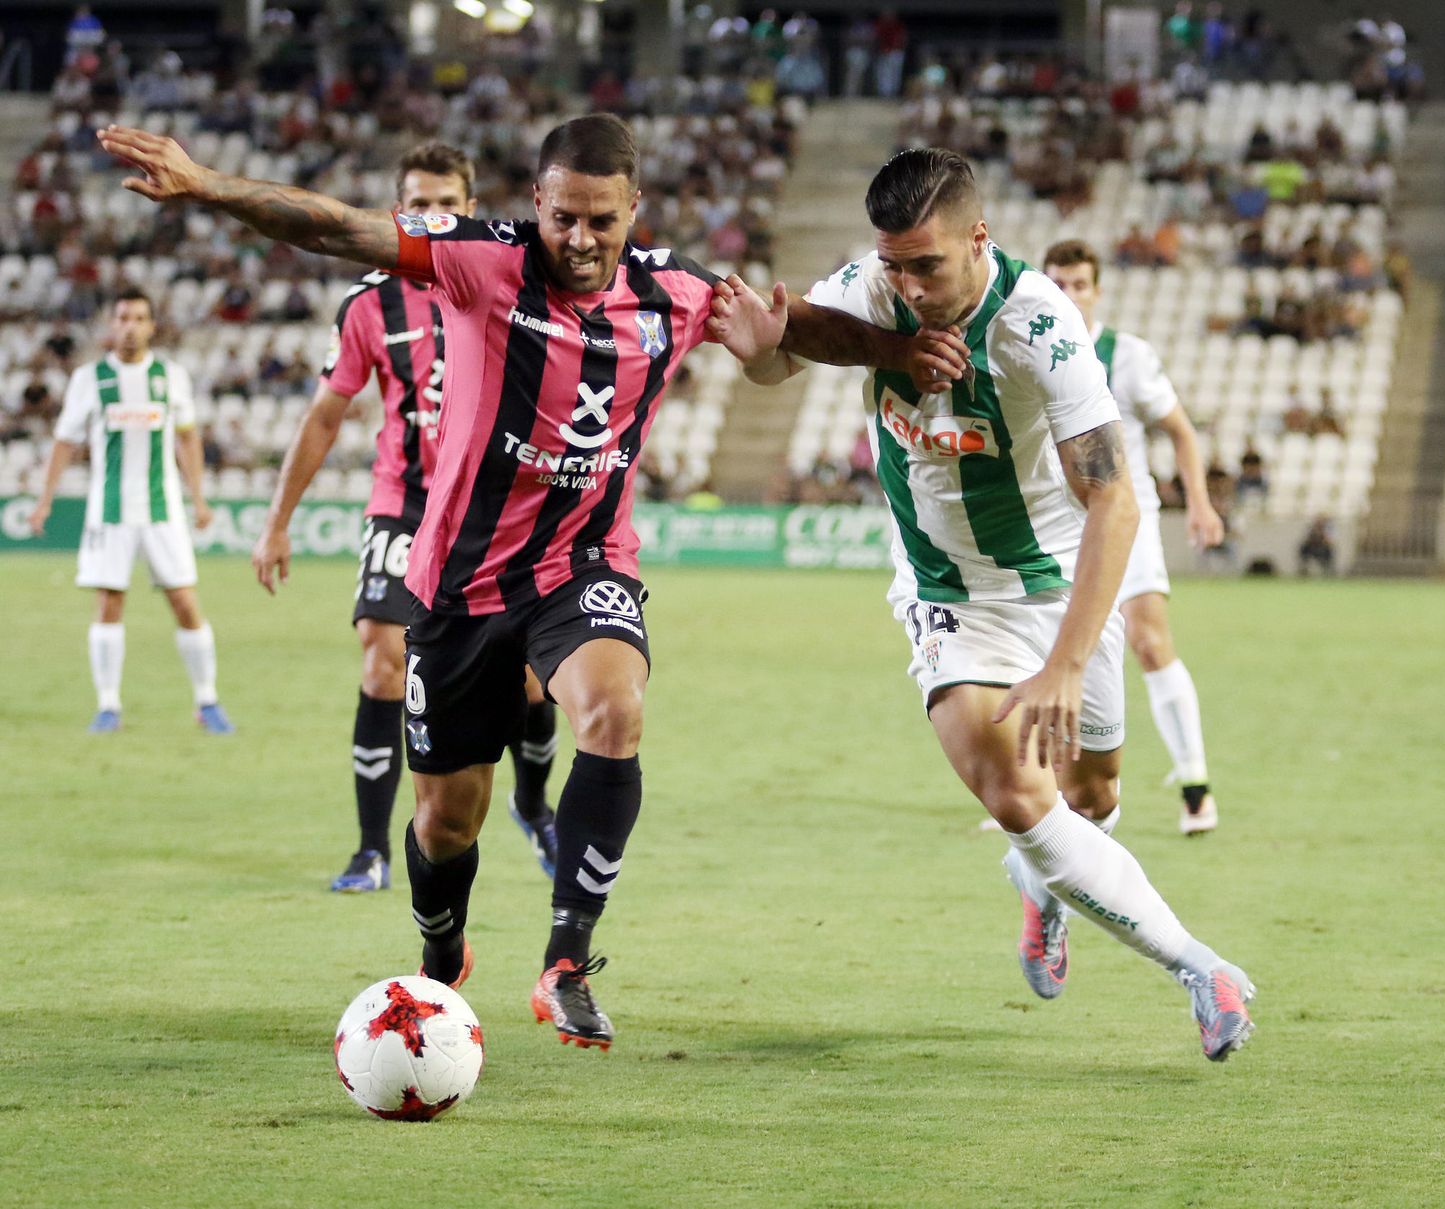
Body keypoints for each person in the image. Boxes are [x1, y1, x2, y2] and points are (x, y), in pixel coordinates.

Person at [98, 114, 967, 1050]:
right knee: (444, 822)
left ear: (634, 208)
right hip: (458, 583)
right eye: (563, 218)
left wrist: (897, 351)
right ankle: (441, 951)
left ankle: (566, 962)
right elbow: (340, 227)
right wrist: (208, 183)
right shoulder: (482, 261)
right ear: (537, 204)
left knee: (614, 710)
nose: (581, 239)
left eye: (602, 219)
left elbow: (795, 325)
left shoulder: (675, 291)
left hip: (583, 562)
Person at [725, 149, 1255, 1061]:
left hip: (1058, 583)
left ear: (978, 238)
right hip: (947, 591)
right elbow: (784, 357)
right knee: (1016, 792)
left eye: (926, 265)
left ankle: (1040, 886)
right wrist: (759, 352)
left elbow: (1115, 499)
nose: (908, 286)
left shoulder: (1040, 325)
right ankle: (1203, 970)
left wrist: (1065, 662)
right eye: (894, 263)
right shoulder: (870, 289)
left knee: (1093, 794)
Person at [249, 143, 563, 895]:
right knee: (382, 660)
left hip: (494, 510)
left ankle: (532, 805)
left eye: (447, 202)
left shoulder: (513, 278)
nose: (433, 215)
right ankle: (371, 851)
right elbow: (327, 416)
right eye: (418, 203)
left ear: (471, 208)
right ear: (399, 211)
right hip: (406, 505)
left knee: (531, 680)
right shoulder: (369, 303)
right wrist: (278, 519)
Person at [1041, 240, 1226, 835]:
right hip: (1055, 524)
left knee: (1147, 640)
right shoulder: (1023, 350)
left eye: (1080, 284)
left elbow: (1181, 431)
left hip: (1126, 515)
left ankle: (1195, 785)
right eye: (1058, 284)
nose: (1069, 295)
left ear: (1098, 291)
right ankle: (1039, 794)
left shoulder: (1127, 356)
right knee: (1048, 652)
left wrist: (1198, 502)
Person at [28, 287, 234, 735]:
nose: (130, 327)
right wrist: (45, 499)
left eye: (139, 319)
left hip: (163, 511)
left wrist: (198, 497)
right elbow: (65, 442)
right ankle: (108, 706)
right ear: (111, 324)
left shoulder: (171, 376)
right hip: (110, 511)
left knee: (185, 602)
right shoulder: (89, 378)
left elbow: (187, 438)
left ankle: (207, 701)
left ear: (151, 326)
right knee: (109, 603)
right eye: (122, 318)